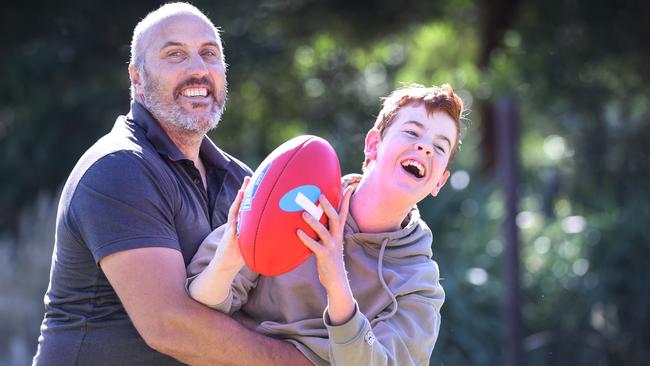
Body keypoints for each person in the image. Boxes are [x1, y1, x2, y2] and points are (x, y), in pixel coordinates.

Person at [33, 3, 312, 365]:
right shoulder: (119, 168)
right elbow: (171, 325)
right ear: (136, 77)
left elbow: (264, 309)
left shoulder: (241, 180)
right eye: (175, 54)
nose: (198, 69)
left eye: (209, 54)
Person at [187, 84, 464, 365]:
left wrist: (336, 283)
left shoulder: (419, 281)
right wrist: (228, 262)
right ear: (373, 145)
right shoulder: (301, 196)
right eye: (412, 132)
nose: (424, 147)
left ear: (439, 181)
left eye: (439, 147)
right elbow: (197, 308)